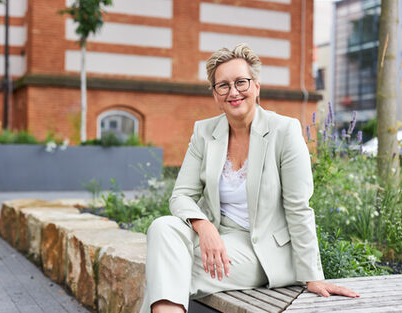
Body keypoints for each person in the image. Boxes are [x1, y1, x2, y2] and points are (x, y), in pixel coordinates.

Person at [140, 43, 359, 313]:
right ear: (215, 94)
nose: (233, 92)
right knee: (162, 227)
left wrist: (313, 276)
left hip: (262, 249)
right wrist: (205, 227)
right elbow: (181, 195)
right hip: (219, 235)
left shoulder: (284, 131)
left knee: (167, 268)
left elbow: (299, 207)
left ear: (256, 86)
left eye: (241, 82)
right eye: (223, 85)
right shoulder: (204, 132)